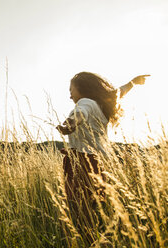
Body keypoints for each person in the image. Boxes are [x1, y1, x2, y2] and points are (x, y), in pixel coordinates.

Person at [56, 72, 149, 244]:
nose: (70, 95)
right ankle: (97, 239)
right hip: (97, 163)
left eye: (71, 89)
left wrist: (69, 124)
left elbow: (80, 113)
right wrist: (133, 82)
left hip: (80, 161)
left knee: (75, 210)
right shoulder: (101, 105)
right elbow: (117, 93)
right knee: (92, 208)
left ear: (82, 88)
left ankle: (91, 242)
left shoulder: (85, 102)